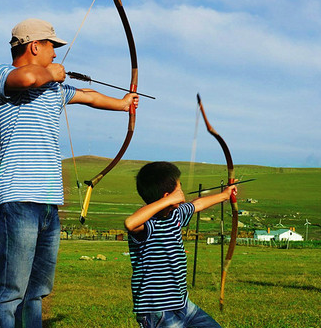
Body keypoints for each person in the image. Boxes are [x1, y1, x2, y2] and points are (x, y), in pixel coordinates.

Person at [0, 18, 139, 328]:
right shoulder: (6, 77)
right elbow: (24, 79)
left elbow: (88, 95)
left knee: (36, 292)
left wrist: (122, 104)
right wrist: (49, 73)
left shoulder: (53, 88)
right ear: (35, 46)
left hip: (49, 205)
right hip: (18, 198)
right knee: (10, 293)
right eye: (52, 47)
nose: (55, 54)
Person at [124, 161, 237, 328]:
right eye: (179, 189)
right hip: (158, 311)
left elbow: (197, 204)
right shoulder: (148, 223)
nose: (182, 192)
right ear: (167, 196)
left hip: (182, 304)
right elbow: (130, 223)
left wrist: (225, 195)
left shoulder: (175, 214)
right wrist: (169, 200)